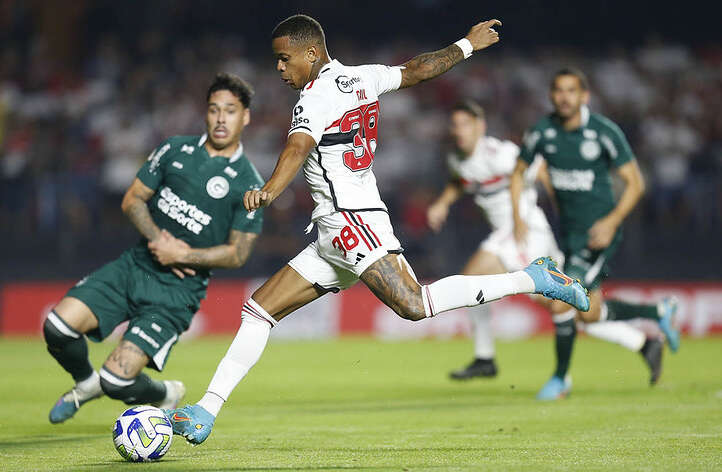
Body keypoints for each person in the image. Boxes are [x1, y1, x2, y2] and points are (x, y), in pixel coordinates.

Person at [166, 14, 589, 444]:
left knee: (414, 305)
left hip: (351, 220)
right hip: (334, 229)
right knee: (259, 309)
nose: (279, 68)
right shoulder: (360, 77)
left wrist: (270, 190)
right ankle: (206, 410)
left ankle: (534, 277)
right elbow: (415, 70)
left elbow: (297, 146)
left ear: (311, 53)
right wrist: (465, 45)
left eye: (284, 59)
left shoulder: (315, 97)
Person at [43, 73, 265, 423]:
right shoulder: (174, 149)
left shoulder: (249, 182)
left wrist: (184, 255)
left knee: (116, 382)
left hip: (176, 292)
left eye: (231, 111)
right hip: (135, 265)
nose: (221, 118)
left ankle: (165, 393)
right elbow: (133, 200)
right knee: (57, 327)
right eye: (214, 109)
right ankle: (86, 383)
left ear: (246, 116)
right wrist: (158, 239)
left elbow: (238, 254)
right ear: (205, 113)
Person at [427, 100, 664, 384]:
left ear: (480, 126)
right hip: (514, 236)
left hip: (525, 230)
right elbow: (461, 181)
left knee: (470, 278)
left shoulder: (500, 153)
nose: (459, 131)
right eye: (455, 125)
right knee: (562, 305)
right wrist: (441, 203)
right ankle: (642, 342)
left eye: (465, 124)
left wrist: (560, 209)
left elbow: (539, 170)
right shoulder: (458, 159)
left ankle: (485, 357)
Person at [511, 67, 680, 400]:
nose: (564, 96)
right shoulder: (542, 132)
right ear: (551, 95)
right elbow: (518, 173)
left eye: (571, 90)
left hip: (598, 234)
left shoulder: (603, 132)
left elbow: (636, 184)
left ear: (584, 96)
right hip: (569, 234)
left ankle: (560, 380)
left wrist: (612, 221)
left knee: (561, 301)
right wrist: (518, 217)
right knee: (589, 313)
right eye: (558, 90)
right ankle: (657, 315)